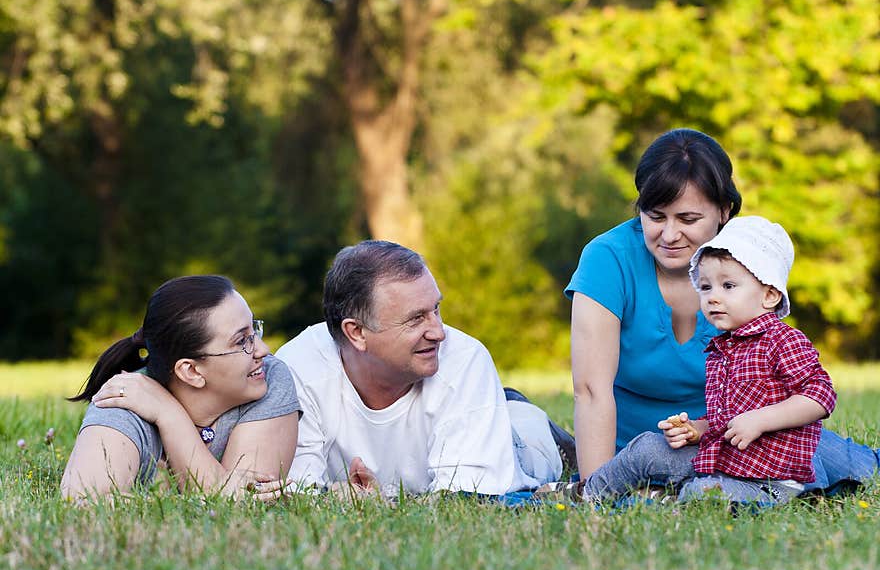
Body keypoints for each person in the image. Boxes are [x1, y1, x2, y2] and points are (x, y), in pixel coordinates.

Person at [564, 127, 878, 497]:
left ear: (724, 212)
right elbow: (590, 391)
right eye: (655, 216)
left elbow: (781, 381)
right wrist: (599, 487)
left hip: (739, 442)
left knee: (834, 459)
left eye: (688, 219)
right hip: (637, 449)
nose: (669, 235)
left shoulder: (747, 266)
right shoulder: (607, 258)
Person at [254, 240, 575, 502]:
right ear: (357, 333)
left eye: (436, 309)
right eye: (416, 319)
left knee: (535, 445)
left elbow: (468, 502)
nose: (439, 332)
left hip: (519, 447)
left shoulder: (464, 360)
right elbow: (293, 491)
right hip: (433, 450)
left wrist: (382, 506)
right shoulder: (299, 366)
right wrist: (330, 498)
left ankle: (530, 420)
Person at [574, 216, 837, 504]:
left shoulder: (783, 340)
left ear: (770, 295)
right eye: (706, 287)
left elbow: (820, 395)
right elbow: (725, 417)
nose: (712, 298)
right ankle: (588, 494)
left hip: (768, 479)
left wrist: (760, 420)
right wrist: (697, 429)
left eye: (728, 286)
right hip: (722, 459)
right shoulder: (722, 348)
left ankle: (663, 499)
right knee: (648, 448)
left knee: (702, 495)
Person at [61, 275, 301, 502]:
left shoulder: (266, 377)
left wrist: (170, 416)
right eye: (242, 341)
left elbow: (249, 505)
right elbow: (83, 505)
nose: (263, 350)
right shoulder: (122, 402)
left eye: (254, 331)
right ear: (191, 371)